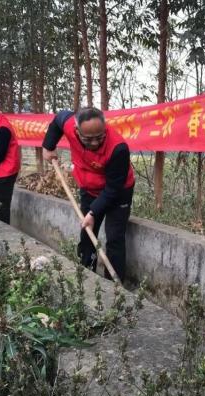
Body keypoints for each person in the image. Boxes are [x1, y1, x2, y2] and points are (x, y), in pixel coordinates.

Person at [42, 107, 134, 282]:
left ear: (105, 129)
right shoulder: (69, 125)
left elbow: (113, 189)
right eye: (87, 139)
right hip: (89, 188)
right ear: (77, 130)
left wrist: (93, 212)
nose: (94, 143)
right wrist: (48, 145)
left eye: (99, 137)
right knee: (87, 235)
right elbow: (59, 118)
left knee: (115, 238)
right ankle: (86, 275)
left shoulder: (118, 148)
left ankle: (114, 287)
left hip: (118, 192)